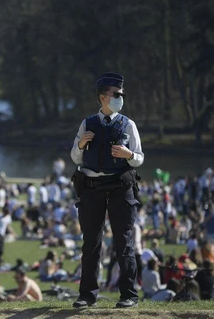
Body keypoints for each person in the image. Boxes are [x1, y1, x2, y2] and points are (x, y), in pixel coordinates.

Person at [70, 72, 144, 309]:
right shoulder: (87, 123)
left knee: (124, 242)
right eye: (116, 94)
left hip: (120, 188)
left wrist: (129, 155)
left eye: (121, 94)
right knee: (91, 243)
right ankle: (87, 295)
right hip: (91, 188)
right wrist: (81, 144)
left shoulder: (128, 124)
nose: (120, 98)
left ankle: (129, 295)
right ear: (103, 98)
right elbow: (74, 157)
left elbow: (139, 158)